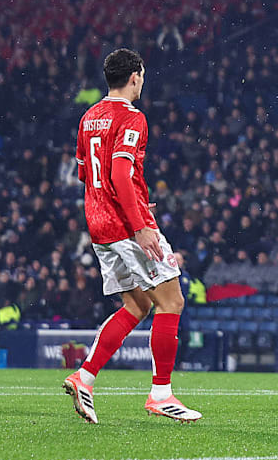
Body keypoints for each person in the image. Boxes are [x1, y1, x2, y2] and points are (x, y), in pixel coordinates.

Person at [63, 48, 200, 424]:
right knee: (171, 301)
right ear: (135, 76)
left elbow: (87, 176)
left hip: (99, 224)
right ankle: (161, 394)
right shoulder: (133, 118)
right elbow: (120, 172)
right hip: (127, 227)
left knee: (137, 306)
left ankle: (84, 377)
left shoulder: (89, 117)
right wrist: (139, 223)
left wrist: (136, 203)